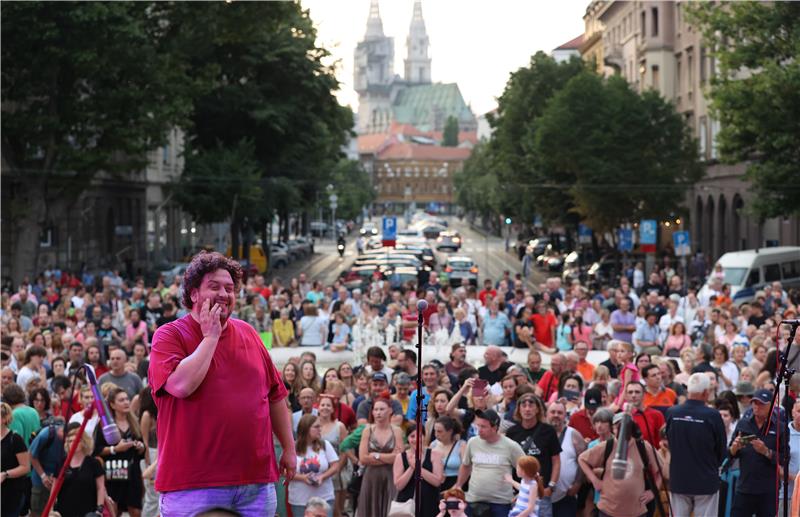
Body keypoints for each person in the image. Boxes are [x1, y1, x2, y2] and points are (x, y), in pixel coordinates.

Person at [149, 252, 295, 516]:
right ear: (193, 294)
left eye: (229, 288)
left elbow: (275, 395)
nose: (223, 294)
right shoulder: (168, 335)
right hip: (195, 486)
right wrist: (210, 337)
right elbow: (181, 386)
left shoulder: (249, 333)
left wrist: (289, 447)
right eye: (213, 287)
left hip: (256, 483)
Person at [578, 411, 661, 517]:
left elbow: (659, 471)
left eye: (625, 427)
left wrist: (653, 492)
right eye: (618, 427)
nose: (622, 431)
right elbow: (582, 459)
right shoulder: (606, 446)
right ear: (613, 429)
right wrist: (595, 481)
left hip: (636, 512)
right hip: (608, 511)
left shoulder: (643, 447)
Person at [665, 373, 726, 517]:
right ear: (705, 392)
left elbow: (669, 441)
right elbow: (721, 449)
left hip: (679, 479)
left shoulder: (672, 412)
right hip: (705, 480)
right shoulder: (712, 415)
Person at [729, 388, 789, 517]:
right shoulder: (743, 424)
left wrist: (766, 452)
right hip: (745, 487)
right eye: (755, 403)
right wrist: (734, 448)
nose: (757, 406)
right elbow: (730, 454)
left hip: (768, 490)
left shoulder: (781, 428)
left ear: (771, 406)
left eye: (761, 403)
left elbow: (785, 458)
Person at [455, 409, 525, 517]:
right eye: (478, 426)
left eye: (483, 427)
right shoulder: (473, 442)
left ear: (495, 427)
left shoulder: (511, 446)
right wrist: (458, 485)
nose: (479, 430)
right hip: (474, 500)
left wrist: (522, 493)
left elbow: (528, 471)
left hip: (500, 503)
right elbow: (466, 466)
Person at [93, 387, 146, 517]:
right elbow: (96, 450)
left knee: (136, 511)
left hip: (133, 471)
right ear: (112, 404)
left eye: (127, 399)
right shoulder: (105, 425)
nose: (126, 402)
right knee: (114, 511)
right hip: (114, 471)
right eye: (121, 400)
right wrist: (115, 449)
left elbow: (142, 448)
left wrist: (140, 447)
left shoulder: (135, 422)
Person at [506, 393, 561, 517]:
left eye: (531, 405)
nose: (527, 409)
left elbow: (556, 460)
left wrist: (551, 486)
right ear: (519, 409)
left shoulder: (548, 431)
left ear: (537, 409)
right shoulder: (511, 432)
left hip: (542, 490)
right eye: (523, 405)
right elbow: (508, 463)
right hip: (520, 491)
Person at [357, 396, 404, 517]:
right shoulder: (367, 430)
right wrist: (389, 458)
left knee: (390, 510)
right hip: (371, 477)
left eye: (382, 409)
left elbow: (399, 458)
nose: (378, 413)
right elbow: (363, 458)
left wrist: (376, 455)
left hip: (391, 477)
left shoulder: (397, 431)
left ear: (390, 411)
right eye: (376, 409)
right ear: (372, 412)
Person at [288, 414, 341, 517]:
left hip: (324, 499)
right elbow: (285, 471)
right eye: (316, 427)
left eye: (320, 426)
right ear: (306, 429)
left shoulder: (325, 445)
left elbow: (335, 466)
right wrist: (302, 478)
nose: (320, 429)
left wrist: (322, 476)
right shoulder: (292, 448)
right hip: (300, 500)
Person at [55, 422, 107, 517]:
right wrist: (51, 509)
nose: (73, 444)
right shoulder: (62, 464)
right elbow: (54, 489)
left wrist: (99, 509)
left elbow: (101, 488)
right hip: (64, 510)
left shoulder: (94, 463)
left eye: (77, 441)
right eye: (70, 441)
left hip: (88, 510)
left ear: (83, 442)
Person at [392, 424, 444, 517]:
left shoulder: (435, 454)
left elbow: (437, 481)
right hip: (407, 503)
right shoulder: (400, 457)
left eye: (419, 436)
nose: (416, 439)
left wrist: (418, 467)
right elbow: (399, 485)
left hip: (430, 502)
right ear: (407, 438)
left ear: (424, 437)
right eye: (412, 436)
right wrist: (411, 467)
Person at [547, 401, 586, 517]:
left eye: (560, 412)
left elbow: (583, 461)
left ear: (565, 415)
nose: (556, 415)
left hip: (566, 495)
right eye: (552, 412)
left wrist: (577, 484)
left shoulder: (574, 434)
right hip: (542, 494)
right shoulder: (540, 432)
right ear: (546, 414)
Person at [29, 417, 65, 517]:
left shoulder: (70, 440)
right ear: (60, 430)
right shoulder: (46, 435)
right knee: (39, 510)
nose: (68, 441)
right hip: (41, 480)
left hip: (58, 479)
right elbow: (31, 455)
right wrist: (43, 476)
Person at [1, 402, 31, 517]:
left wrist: (5, 474)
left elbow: (26, 467)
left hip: (10, 495)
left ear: (4, 419)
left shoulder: (15, 439)